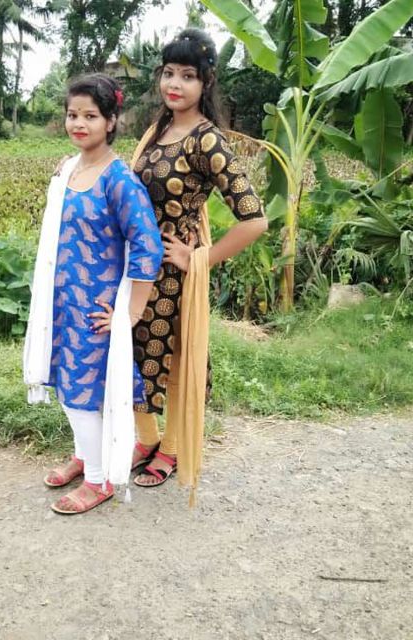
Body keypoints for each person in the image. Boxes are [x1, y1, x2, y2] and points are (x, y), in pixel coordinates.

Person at [129, 29, 268, 501]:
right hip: (138, 266)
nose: (175, 84)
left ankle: (170, 447)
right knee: (132, 352)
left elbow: (255, 219)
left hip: (172, 274)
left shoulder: (207, 140)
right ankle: (145, 439)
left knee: (172, 358)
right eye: (169, 72)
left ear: (206, 82)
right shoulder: (157, 129)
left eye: (187, 76)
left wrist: (198, 257)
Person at [23, 73, 164, 515]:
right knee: (66, 383)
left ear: (111, 121)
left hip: (96, 310)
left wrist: (131, 314)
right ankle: (85, 456)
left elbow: (148, 246)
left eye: (90, 116)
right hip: (62, 303)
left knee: (83, 393)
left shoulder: (119, 180)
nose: (79, 124)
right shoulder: (69, 170)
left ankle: (99, 481)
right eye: (72, 115)